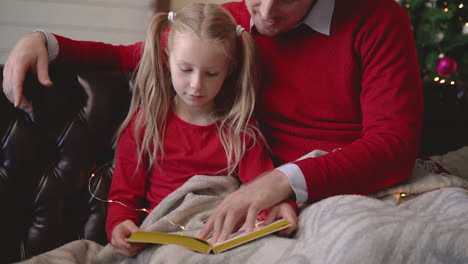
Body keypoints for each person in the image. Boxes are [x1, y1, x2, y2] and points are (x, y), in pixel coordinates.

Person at [2, 0, 423, 246]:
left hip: (343, 188)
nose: (267, 12)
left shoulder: (378, 19)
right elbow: (137, 56)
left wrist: (281, 182)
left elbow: (393, 146)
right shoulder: (235, 21)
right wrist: (45, 41)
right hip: (254, 201)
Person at [97, 3, 298, 257]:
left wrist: (281, 207)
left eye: (211, 73)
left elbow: (264, 191)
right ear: (168, 60)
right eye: (186, 70)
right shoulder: (146, 125)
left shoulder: (239, 132)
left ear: (228, 70)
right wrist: (119, 225)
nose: (196, 85)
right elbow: (123, 198)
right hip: (165, 235)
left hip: (221, 238)